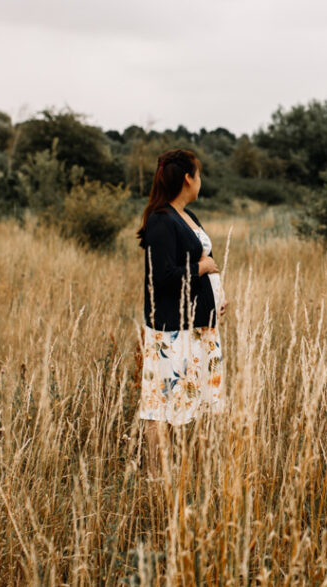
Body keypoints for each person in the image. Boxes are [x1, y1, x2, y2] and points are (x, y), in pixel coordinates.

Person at [136, 149, 227, 453]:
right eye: (198, 175)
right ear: (188, 178)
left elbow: (202, 256)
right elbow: (161, 276)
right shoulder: (162, 220)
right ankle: (156, 473)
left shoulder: (187, 216)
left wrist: (216, 299)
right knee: (161, 404)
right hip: (173, 329)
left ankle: (182, 465)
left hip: (198, 325)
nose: (200, 181)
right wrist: (202, 268)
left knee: (190, 401)